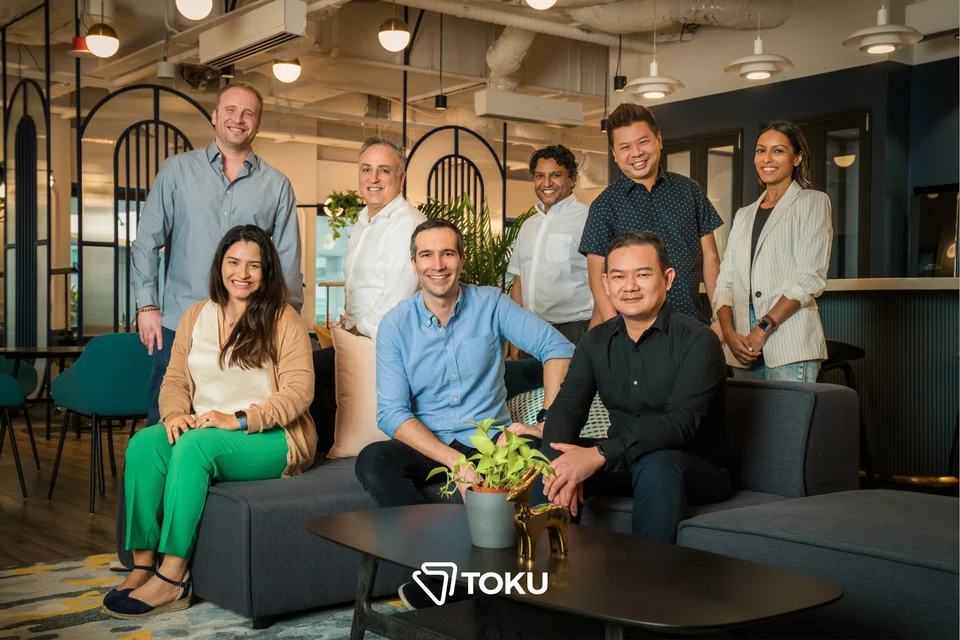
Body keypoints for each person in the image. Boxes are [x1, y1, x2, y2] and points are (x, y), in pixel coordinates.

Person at [354, 218, 574, 610]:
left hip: (492, 442)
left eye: (447, 253)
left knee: (545, 461)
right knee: (374, 459)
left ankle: (531, 590)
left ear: (462, 258)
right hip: (432, 444)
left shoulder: (491, 303)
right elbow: (390, 412)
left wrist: (545, 421)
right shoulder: (396, 324)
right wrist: (452, 459)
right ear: (414, 262)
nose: (437, 264)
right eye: (427, 254)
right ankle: (441, 569)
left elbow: (558, 348)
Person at [103, 225, 316, 619]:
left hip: (271, 437)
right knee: (145, 443)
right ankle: (143, 565)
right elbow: (176, 379)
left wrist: (238, 419)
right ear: (220, 266)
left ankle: (172, 578)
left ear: (267, 272)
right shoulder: (196, 314)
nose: (243, 273)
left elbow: (300, 391)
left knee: (193, 447)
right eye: (234, 262)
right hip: (204, 430)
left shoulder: (284, 318)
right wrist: (173, 414)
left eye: (254, 265)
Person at [536, 231, 730, 543]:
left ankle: (649, 585)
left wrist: (599, 453)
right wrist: (561, 464)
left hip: (691, 467)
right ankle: (543, 574)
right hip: (625, 462)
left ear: (667, 279)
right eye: (618, 276)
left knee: (657, 462)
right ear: (606, 282)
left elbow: (678, 425)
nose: (630, 287)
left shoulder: (698, 341)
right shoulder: (595, 341)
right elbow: (569, 406)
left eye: (642, 274)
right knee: (544, 456)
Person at [132, 81, 304, 427]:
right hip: (179, 324)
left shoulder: (277, 185)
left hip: (249, 329)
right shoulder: (176, 171)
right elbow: (146, 241)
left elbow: (287, 262)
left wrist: (285, 323)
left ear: (257, 123)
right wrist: (147, 304)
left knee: (236, 429)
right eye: (230, 109)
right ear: (214, 116)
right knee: (165, 425)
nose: (238, 119)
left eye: (248, 113)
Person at [311, 136, 425, 452]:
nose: (373, 179)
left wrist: (352, 335)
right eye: (366, 169)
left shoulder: (409, 224)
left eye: (383, 170)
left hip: (379, 344)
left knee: (305, 373)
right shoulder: (363, 222)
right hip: (355, 339)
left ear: (400, 178)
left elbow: (396, 297)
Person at [579, 103, 723, 338]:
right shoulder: (604, 205)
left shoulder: (690, 191)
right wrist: (620, 335)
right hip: (633, 333)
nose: (636, 153)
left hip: (691, 327)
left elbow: (711, 258)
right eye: (625, 147)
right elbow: (597, 279)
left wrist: (719, 319)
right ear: (615, 154)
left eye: (643, 142)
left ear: (659, 140)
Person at [713, 121, 832, 381]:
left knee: (789, 422)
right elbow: (725, 281)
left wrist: (762, 329)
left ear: (797, 157)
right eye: (760, 150)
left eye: (778, 151)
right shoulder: (744, 216)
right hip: (742, 345)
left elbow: (809, 278)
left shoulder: (813, 203)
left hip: (789, 342)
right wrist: (729, 334)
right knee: (747, 423)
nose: (767, 159)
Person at [506, 145, 592, 360]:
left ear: (572, 179)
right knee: (529, 394)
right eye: (539, 176)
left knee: (568, 393)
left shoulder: (589, 219)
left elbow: (603, 278)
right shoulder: (528, 226)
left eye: (555, 175)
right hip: (531, 330)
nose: (546, 183)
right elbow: (519, 280)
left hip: (575, 331)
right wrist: (515, 336)